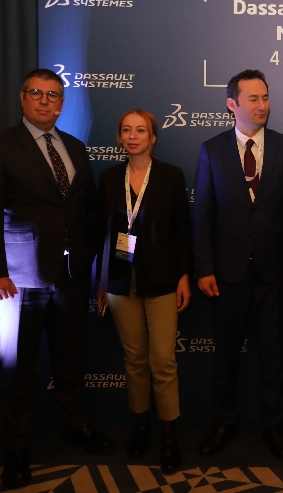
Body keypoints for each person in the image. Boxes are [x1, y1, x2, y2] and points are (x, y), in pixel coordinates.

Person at [0, 68, 113, 489]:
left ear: (62, 103)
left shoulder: (75, 148)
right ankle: (16, 448)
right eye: (37, 93)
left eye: (53, 95)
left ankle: (77, 426)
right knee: (18, 367)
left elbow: (85, 211)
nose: (45, 101)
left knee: (70, 358)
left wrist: (92, 265)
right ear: (23, 98)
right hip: (16, 281)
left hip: (71, 276)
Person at [193, 69, 283, 459]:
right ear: (232, 104)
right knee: (225, 353)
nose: (262, 105)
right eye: (253, 99)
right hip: (227, 274)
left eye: (265, 97)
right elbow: (203, 214)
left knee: (273, 354)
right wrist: (205, 268)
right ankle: (225, 422)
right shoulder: (211, 150)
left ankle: (274, 425)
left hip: (273, 273)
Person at [96, 109, 192, 473]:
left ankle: (168, 435)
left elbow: (182, 229)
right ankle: (141, 426)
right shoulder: (108, 178)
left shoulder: (171, 176)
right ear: (119, 138)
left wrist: (185, 275)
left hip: (163, 279)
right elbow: (102, 233)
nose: (133, 136)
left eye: (140, 130)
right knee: (134, 359)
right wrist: (101, 281)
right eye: (126, 130)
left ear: (152, 137)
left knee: (163, 361)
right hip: (120, 281)